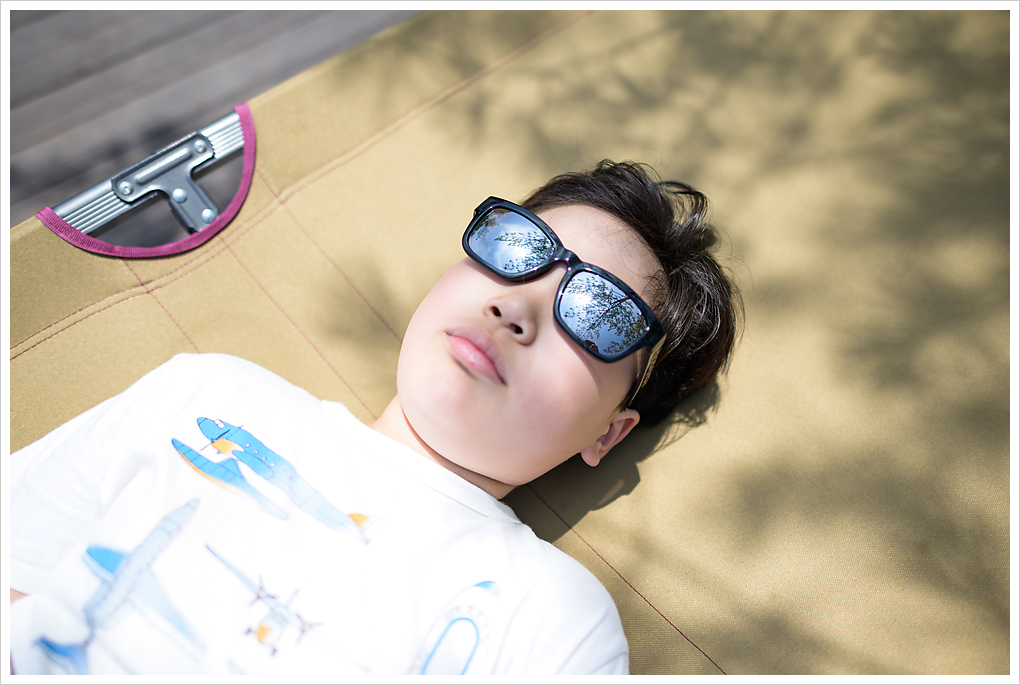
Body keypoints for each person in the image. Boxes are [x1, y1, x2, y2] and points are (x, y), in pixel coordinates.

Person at [7, 160, 740, 676]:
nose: (515, 305)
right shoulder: (210, 397)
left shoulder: (553, 619)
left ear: (608, 431)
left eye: (600, 313)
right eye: (517, 247)